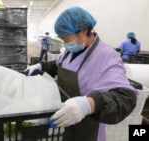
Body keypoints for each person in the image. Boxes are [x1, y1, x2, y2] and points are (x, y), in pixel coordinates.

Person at [25, 6, 137, 141]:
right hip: (63, 123)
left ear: (83, 31)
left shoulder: (107, 56)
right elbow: (58, 65)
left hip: (87, 130)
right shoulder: (70, 52)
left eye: (66, 38)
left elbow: (126, 98)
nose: (64, 43)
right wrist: (40, 66)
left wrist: (89, 104)